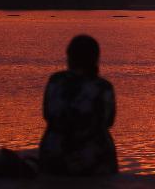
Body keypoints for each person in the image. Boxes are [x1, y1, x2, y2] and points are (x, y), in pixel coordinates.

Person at [38, 35, 118, 176]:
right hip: (91, 156)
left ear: (69, 57)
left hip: (55, 153)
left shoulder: (55, 81)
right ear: (95, 58)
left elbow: (46, 114)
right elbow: (109, 122)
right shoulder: (103, 87)